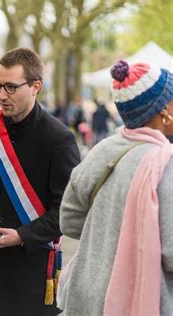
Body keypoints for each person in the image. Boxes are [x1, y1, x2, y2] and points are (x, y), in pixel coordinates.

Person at [0, 47, 80, 316]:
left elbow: (67, 212)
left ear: (35, 86)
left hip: (31, 274)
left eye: (10, 87)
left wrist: (22, 235)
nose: (1, 95)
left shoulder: (59, 139)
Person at [59, 61, 173, 315]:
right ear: (164, 109)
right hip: (140, 301)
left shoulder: (100, 151)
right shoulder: (164, 164)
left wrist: (106, 236)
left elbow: (68, 222)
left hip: (86, 294)